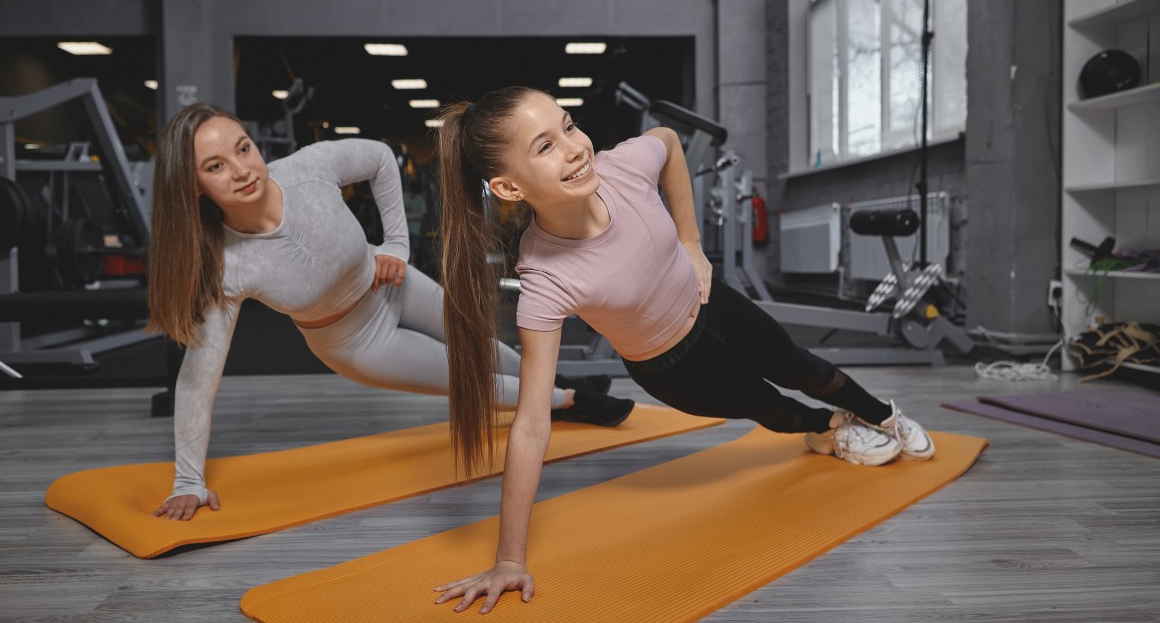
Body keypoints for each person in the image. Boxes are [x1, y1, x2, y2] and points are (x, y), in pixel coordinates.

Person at [431, 88, 937, 613]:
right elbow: (533, 424)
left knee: (802, 365)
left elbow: (669, 142)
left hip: (711, 301)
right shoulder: (544, 276)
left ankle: (882, 415)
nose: (575, 147)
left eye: (569, 125)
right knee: (770, 407)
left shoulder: (621, 167)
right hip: (673, 365)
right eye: (545, 146)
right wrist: (510, 558)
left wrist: (691, 241)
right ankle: (829, 428)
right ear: (509, 187)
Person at [146, 103, 634, 521]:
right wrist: (188, 479)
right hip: (354, 341)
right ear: (192, 187)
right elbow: (196, 379)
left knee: (487, 349)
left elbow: (380, 158)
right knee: (472, 381)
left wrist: (397, 246)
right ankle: (571, 400)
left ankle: (558, 382)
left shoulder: (307, 169)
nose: (242, 170)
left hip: (392, 282)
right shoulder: (227, 268)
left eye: (243, 148)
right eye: (215, 167)